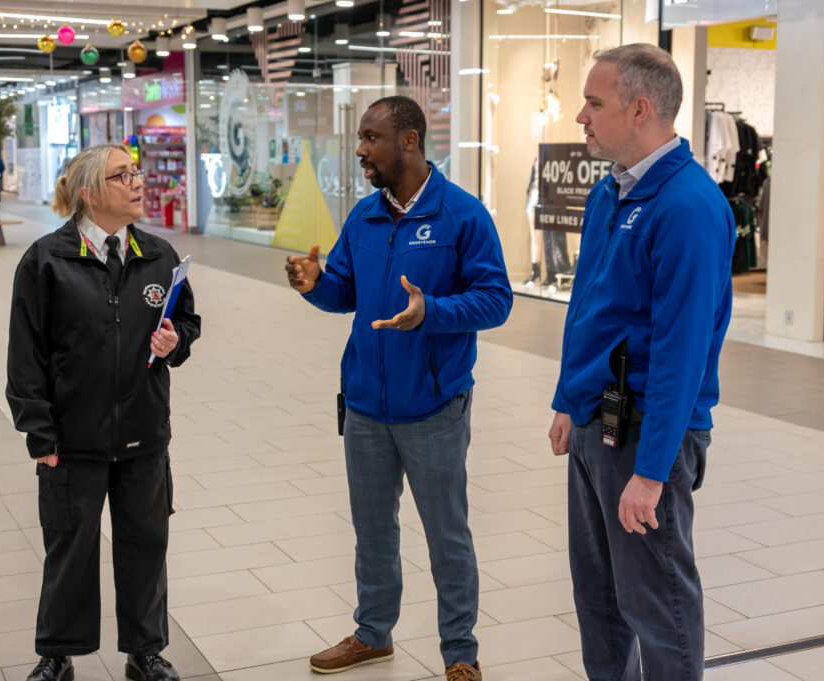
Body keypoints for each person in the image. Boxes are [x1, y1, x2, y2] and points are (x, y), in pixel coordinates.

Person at [286, 96, 512, 681]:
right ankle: (372, 633)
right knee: (372, 531)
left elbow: (496, 300)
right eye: (361, 138)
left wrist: (429, 311)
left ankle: (460, 653)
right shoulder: (363, 216)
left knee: (447, 536)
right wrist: (314, 284)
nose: (360, 149)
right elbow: (342, 290)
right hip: (364, 405)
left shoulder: (463, 215)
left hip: (433, 405)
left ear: (409, 140)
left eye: (371, 137)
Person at [547, 44, 735, 681]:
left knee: (658, 603)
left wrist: (652, 472)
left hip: (648, 433)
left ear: (640, 108)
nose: (580, 117)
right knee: (598, 597)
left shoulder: (687, 207)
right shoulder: (610, 194)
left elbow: (684, 352)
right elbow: (588, 307)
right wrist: (565, 399)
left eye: (593, 104)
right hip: (595, 422)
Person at [6, 143, 201, 681]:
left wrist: (174, 342)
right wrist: (39, 435)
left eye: (136, 171)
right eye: (123, 175)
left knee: (146, 546)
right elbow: (26, 357)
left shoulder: (159, 255)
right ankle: (58, 654)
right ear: (90, 193)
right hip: (72, 441)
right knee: (69, 550)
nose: (138, 181)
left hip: (143, 436)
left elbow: (186, 322)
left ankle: (146, 651)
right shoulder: (46, 260)